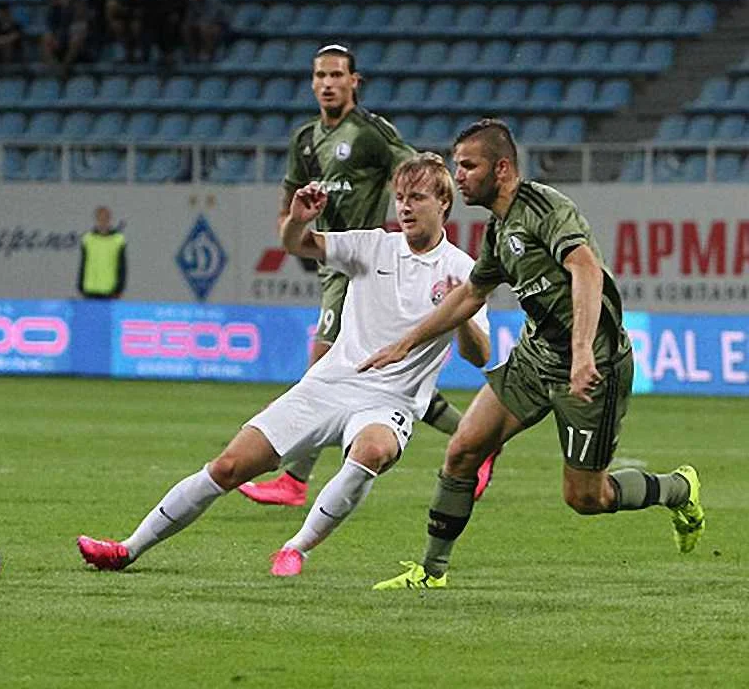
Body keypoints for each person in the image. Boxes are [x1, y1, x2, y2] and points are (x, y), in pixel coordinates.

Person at [77, 153, 490, 575]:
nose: (404, 207)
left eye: (416, 197)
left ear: (443, 202)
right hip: (327, 385)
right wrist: (297, 221)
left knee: (373, 450)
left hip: (389, 401)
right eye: (399, 197)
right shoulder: (372, 246)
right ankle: (126, 550)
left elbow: (480, 354)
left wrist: (457, 313)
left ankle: (295, 548)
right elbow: (298, 244)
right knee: (228, 466)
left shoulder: (464, 270)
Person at [364, 120, 705, 590]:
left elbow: (586, 268)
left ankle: (678, 489)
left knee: (586, 497)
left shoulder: (545, 208)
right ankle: (431, 572)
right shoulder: (499, 230)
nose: (457, 175)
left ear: (501, 168)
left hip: (593, 368)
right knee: (462, 449)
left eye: (468, 165)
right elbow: (470, 295)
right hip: (534, 359)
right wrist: (405, 343)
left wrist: (583, 352)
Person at [238, 44, 489, 509]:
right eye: (320, 75)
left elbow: (415, 174)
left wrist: (416, 199)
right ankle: (476, 435)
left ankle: (294, 478)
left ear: (355, 81)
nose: (327, 83)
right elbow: (289, 206)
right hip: (331, 259)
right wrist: (294, 222)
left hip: (365, 262)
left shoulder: (370, 134)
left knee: (324, 370)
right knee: (375, 370)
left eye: (337, 74)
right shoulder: (305, 140)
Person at [77, 205, 127, 299]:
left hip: (110, 290)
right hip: (90, 290)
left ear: (109, 219)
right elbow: (83, 264)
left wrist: (119, 288)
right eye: (100, 218)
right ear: (96, 219)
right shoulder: (88, 239)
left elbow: (122, 266)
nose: (103, 221)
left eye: (105, 218)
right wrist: (80, 286)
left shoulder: (118, 239)